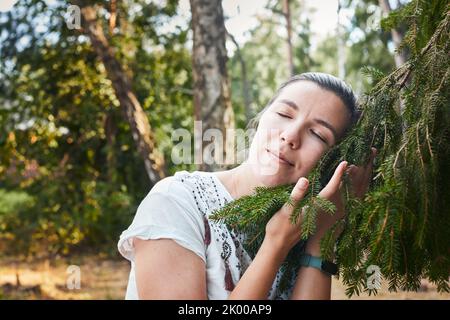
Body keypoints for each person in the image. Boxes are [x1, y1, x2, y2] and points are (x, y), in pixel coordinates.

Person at [117, 72, 377, 300]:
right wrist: (276, 243)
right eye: (284, 114)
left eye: (318, 134)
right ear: (261, 118)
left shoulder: (304, 231)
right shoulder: (176, 201)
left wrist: (322, 236)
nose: (291, 136)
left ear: (331, 162)